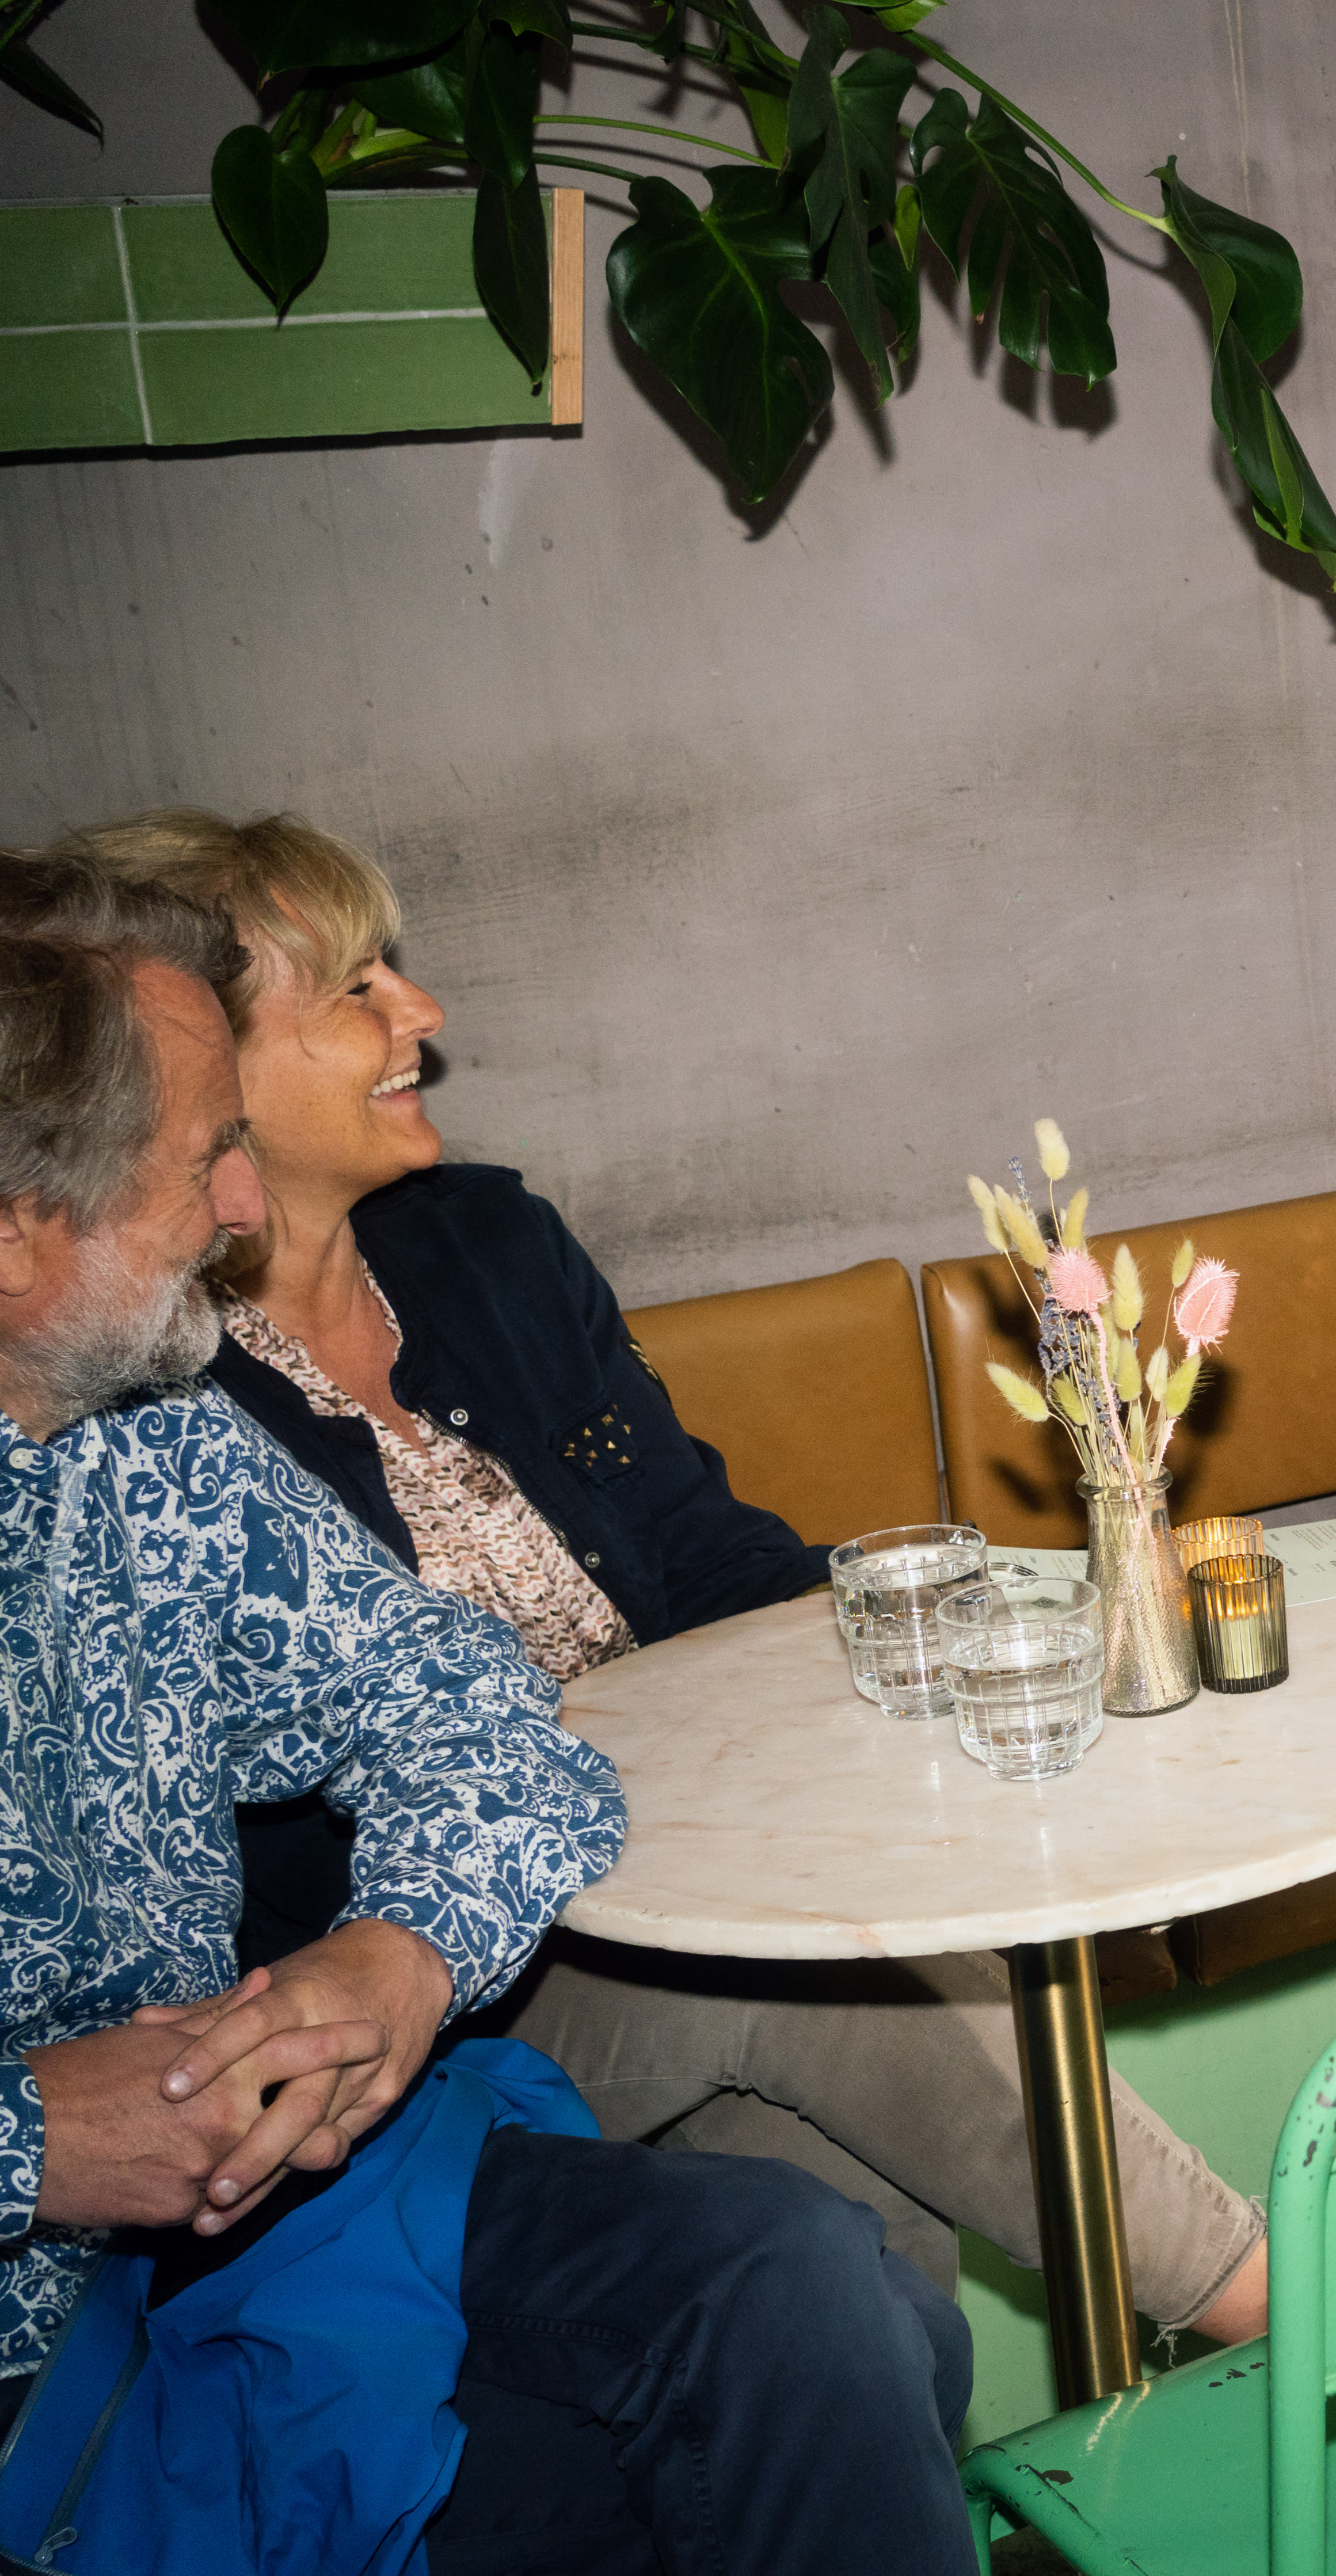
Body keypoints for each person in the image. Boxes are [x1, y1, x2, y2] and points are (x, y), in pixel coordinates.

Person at [63, 808, 1269, 2351]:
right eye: (359, 987)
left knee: (869, 2294)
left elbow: (708, 1561)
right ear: (204, 1065)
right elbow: (259, 1871)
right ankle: (1276, 2313)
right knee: (820, 1965)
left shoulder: (483, 1244)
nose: (420, 1015)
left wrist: (951, 1623)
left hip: (697, 1895)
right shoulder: (144, 1396)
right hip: (446, 2006)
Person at [0, 848, 974, 2572]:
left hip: (261, 2217)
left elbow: (468, 1704)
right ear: (16, 1235)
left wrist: (399, 1955)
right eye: (198, 1158)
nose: (238, 1208)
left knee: (816, 2297)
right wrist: (25, 2145)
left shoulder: (147, 1452)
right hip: (52, 2357)